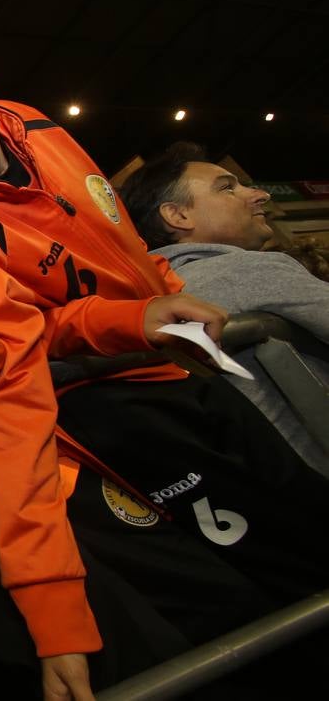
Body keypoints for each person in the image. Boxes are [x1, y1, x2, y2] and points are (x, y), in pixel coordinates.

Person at [0, 15, 329, 698]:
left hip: (187, 374)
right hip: (112, 423)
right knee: (251, 617)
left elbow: (108, 239)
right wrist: (54, 610)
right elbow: (9, 393)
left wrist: (158, 293)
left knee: (311, 529)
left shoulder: (33, 123)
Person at [119, 141, 329, 472]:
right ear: (178, 215)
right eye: (227, 188)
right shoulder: (250, 270)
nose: (260, 195)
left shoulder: (136, 308)